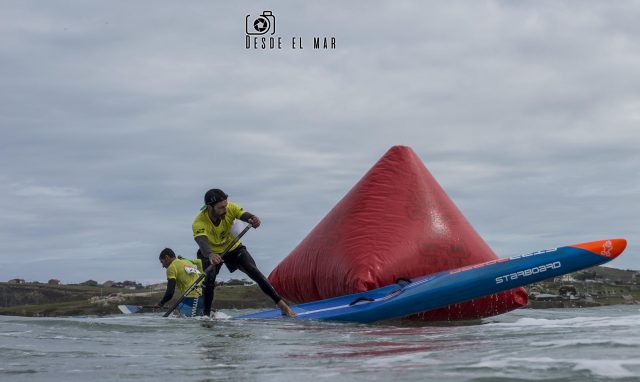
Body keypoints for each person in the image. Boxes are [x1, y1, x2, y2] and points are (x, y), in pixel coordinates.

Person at [193, 188, 296, 317]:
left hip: (232, 248)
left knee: (255, 272)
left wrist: (253, 219)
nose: (225, 209)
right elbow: (202, 241)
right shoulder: (199, 222)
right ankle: (206, 316)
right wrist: (210, 255)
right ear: (210, 207)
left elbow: (245, 215)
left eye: (226, 205)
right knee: (209, 281)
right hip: (211, 252)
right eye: (221, 207)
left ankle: (283, 307)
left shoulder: (230, 208)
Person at [156, 248, 204, 317]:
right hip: (202, 298)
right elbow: (199, 261)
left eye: (162, 262)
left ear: (167, 257)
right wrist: (187, 259)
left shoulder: (171, 268)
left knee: (176, 318)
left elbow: (170, 292)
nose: (163, 266)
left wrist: (161, 303)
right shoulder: (186, 261)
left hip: (190, 299)